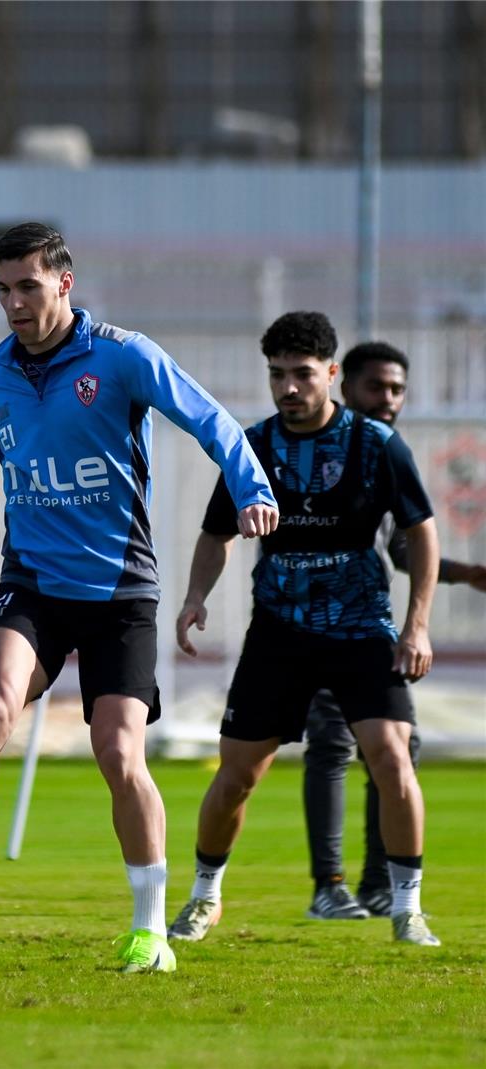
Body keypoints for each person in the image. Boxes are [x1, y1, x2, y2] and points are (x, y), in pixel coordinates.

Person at [0, 222, 278, 974]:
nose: (14, 303)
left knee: (118, 752)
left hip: (120, 588)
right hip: (31, 583)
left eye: (27, 286)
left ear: (64, 282)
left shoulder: (122, 357)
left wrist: (252, 486)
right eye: (2, 289)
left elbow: (211, 420)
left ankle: (149, 929)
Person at [170, 311, 442, 949]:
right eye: (277, 375)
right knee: (236, 775)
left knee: (392, 758)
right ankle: (204, 898)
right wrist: (194, 597)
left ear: (332, 374)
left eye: (301, 374)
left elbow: (421, 533)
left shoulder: (376, 444)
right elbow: (217, 533)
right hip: (280, 636)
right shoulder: (253, 446)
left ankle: (408, 911)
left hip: (361, 633)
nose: (288, 388)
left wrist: (418, 627)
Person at [302, 341, 486, 920]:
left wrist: (466, 573)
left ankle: (379, 885)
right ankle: (328, 887)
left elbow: (403, 544)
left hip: (370, 628)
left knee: (397, 747)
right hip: (310, 622)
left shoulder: (387, 451)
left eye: (397, 390)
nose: (389, 399)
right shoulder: (317, 444)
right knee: (329, 745)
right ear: (345, 386)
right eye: (376, 387)